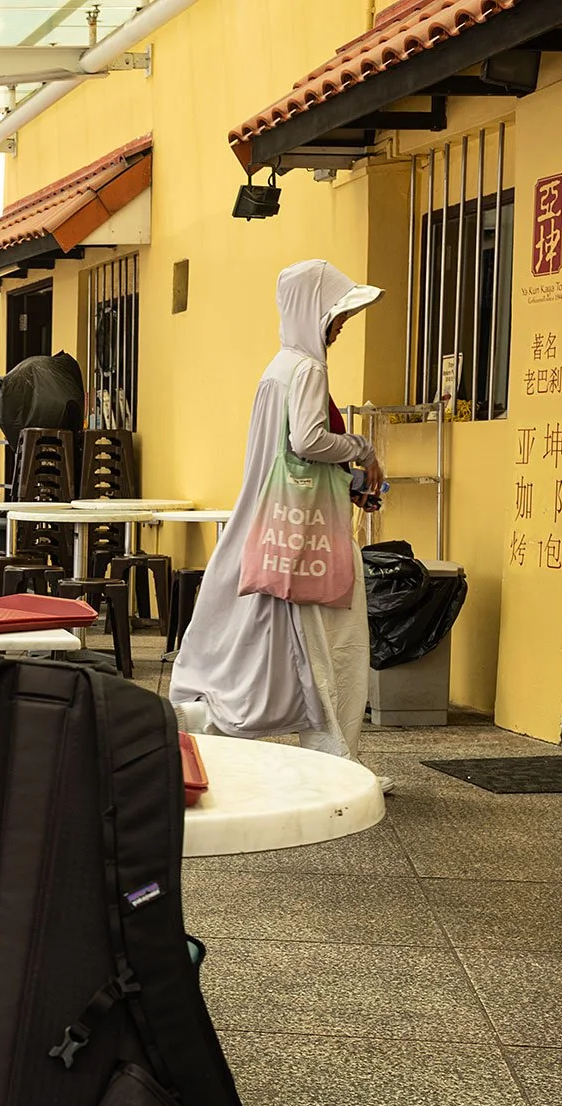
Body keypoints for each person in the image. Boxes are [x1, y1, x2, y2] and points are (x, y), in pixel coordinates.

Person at [169, 259, 388, 783]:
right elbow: (307, 441)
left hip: (274, 524)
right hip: (311, 536)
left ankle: (213, 718)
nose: (340, 325)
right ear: (314, 310)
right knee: (333, 646)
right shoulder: (309, 369)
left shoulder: (278, 369)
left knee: (269, 642)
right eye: (336, 314)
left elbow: (285, 457)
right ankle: (335, 763)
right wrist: (361, 448)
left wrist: (349, 481)